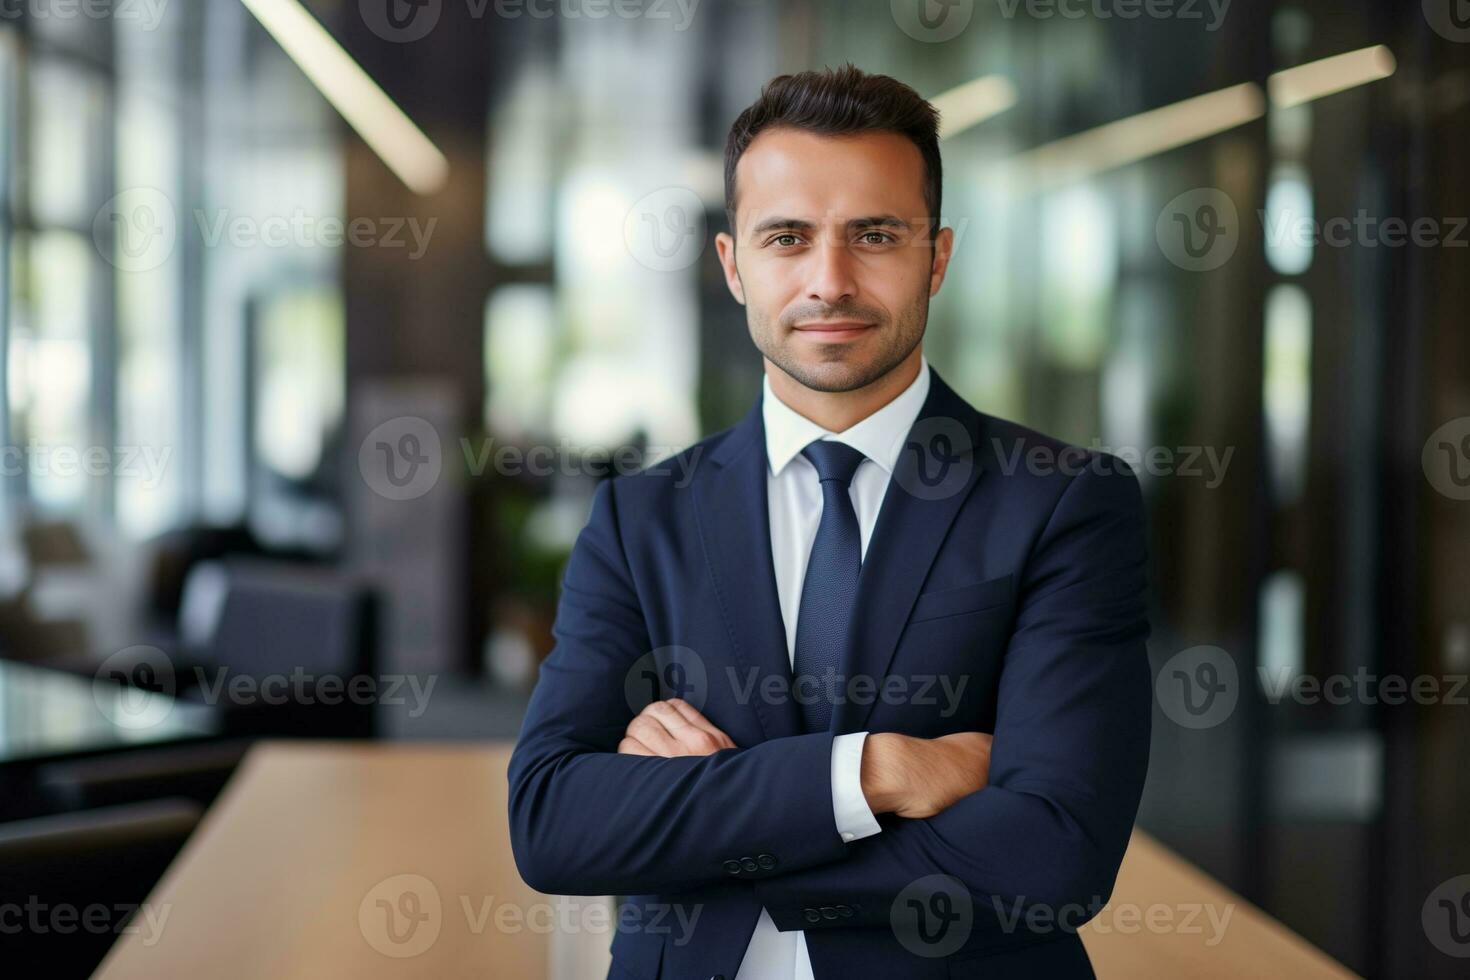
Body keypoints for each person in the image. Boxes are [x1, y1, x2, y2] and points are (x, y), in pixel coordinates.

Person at [508, 63, 1151, 980]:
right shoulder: (641, 519)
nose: (830, 280)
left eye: (875, 234)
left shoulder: (1061, 503)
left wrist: (700, 827)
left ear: (938, 255)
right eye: (787, 237)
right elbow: (552, 822)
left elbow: (1054, 855)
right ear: (734, 265)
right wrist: (874, 772)